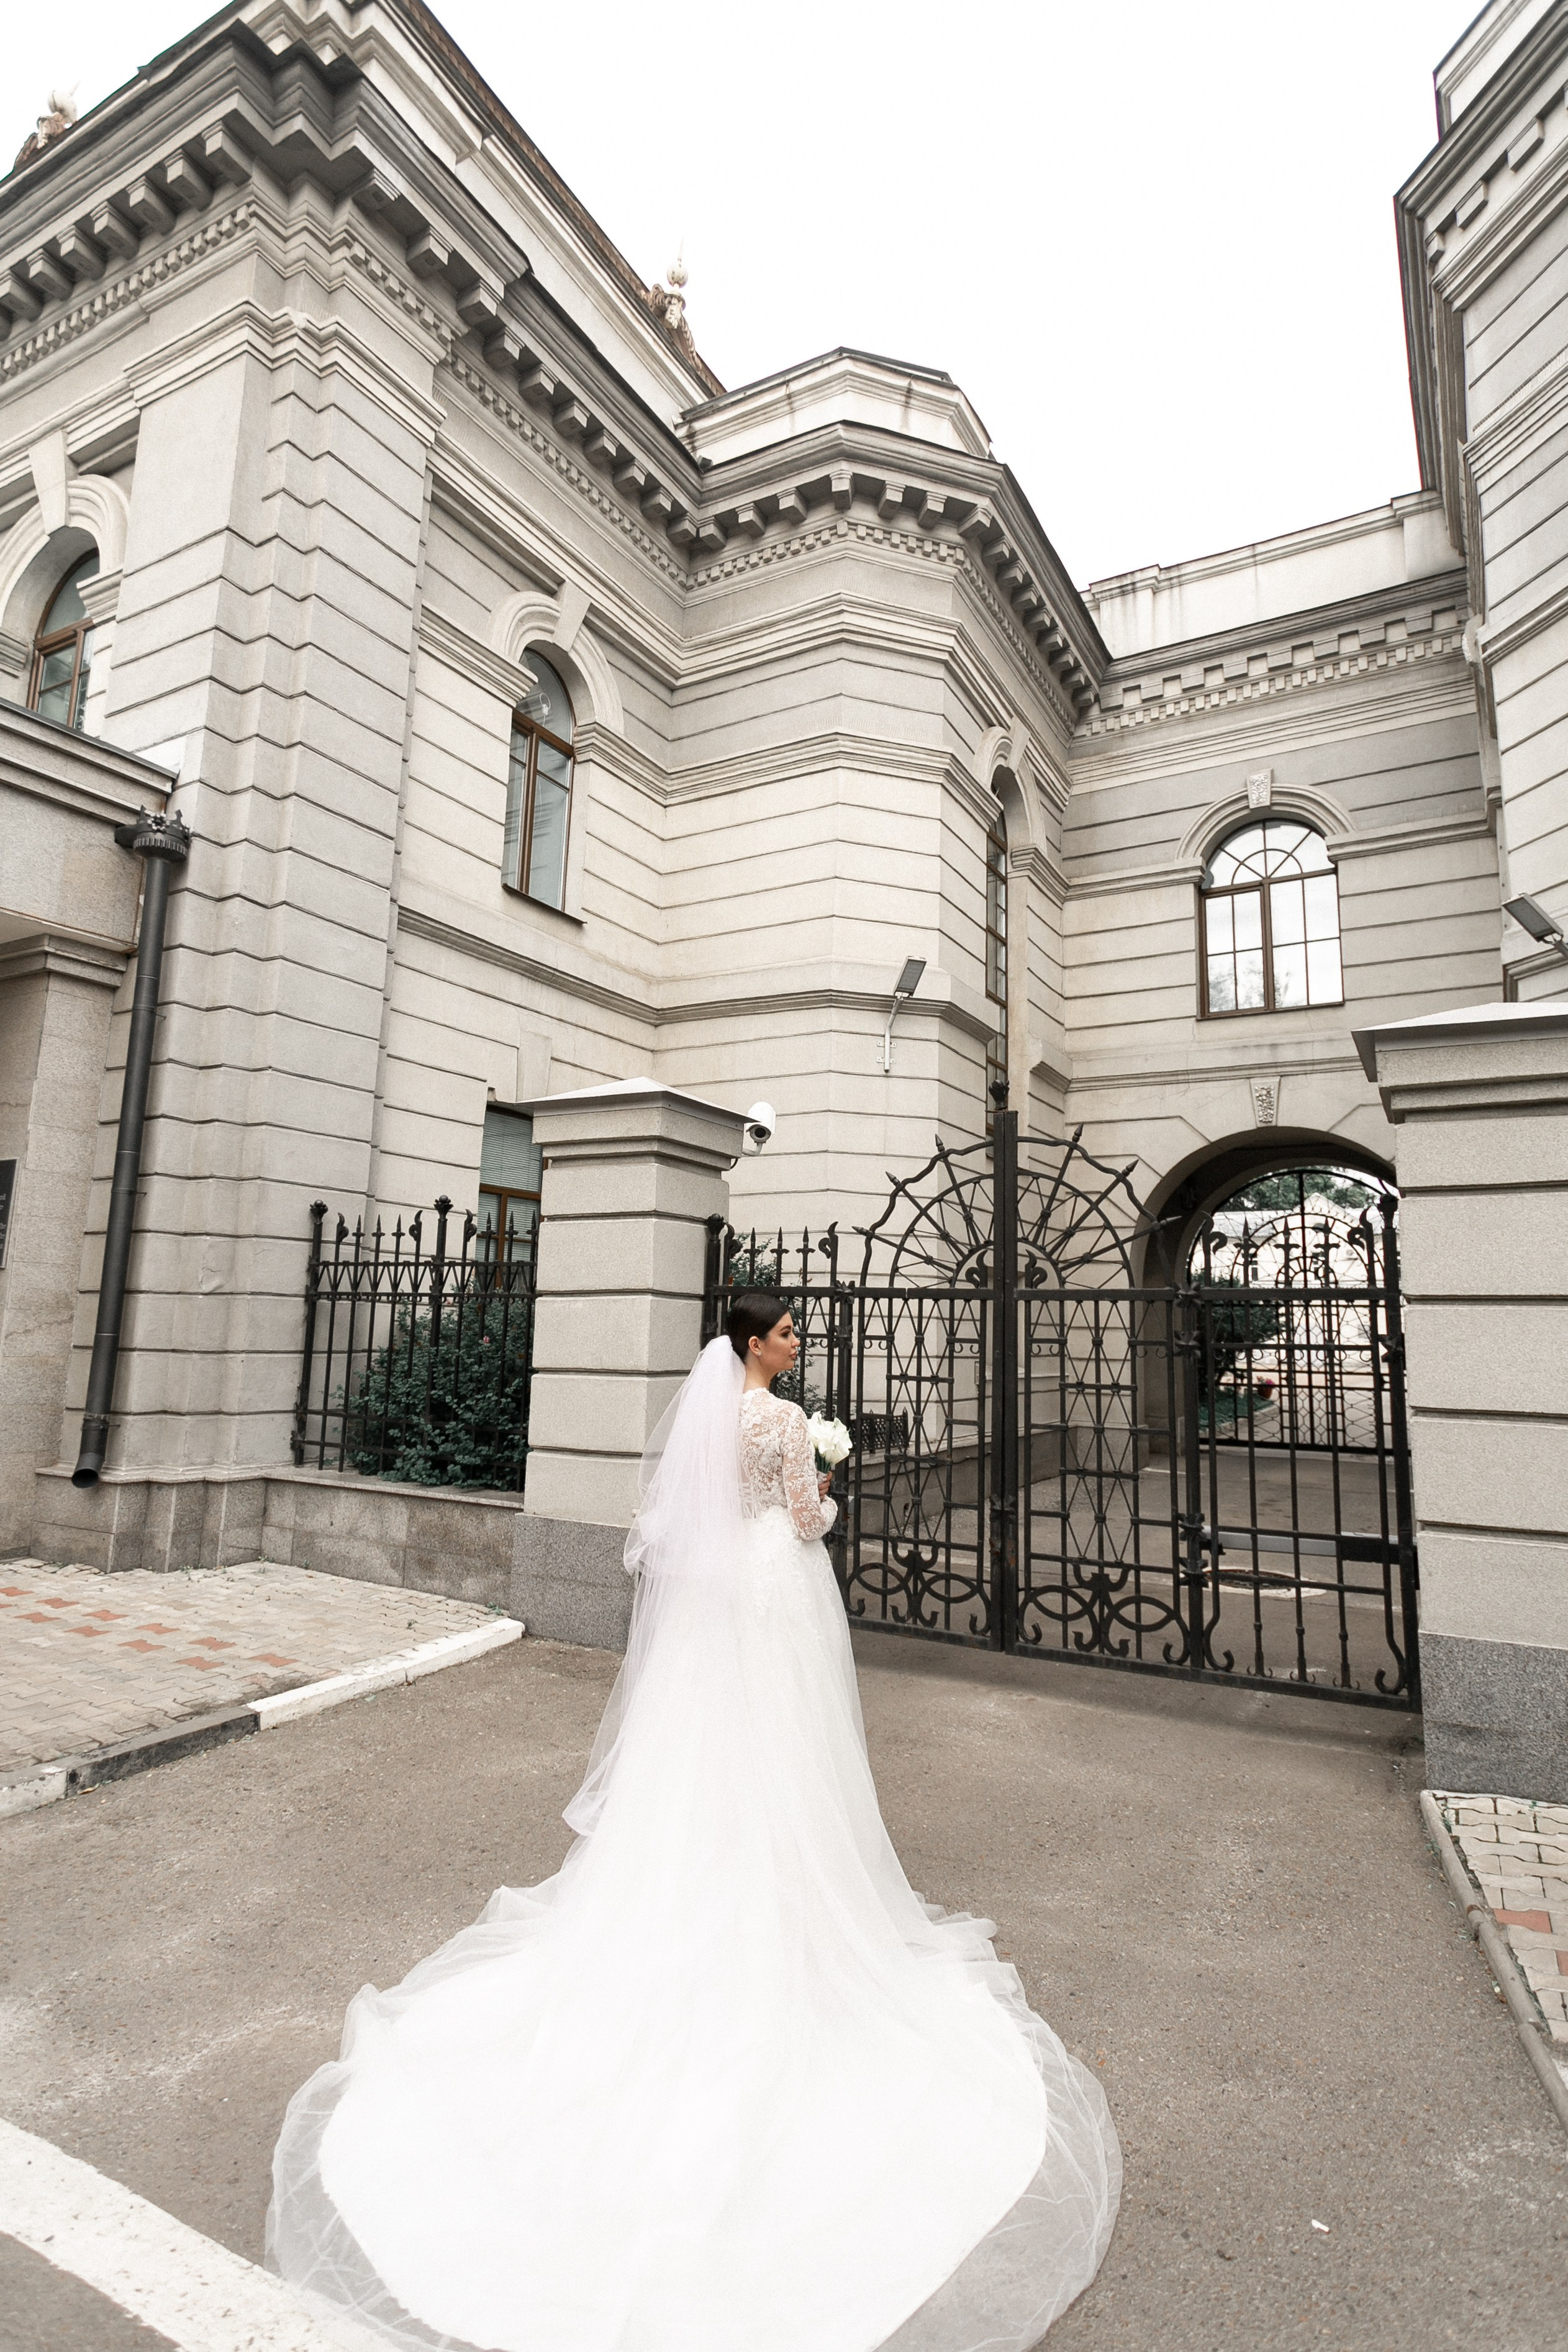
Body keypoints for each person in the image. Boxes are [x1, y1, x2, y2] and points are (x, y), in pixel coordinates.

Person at [267, 1294, 1119, 2350]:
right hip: (777, 1594)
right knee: (787, 1744)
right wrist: (830, 1479)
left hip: (719, 1608)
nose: (800, 1342)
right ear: (754, 1345)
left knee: (708, 1742)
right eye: (789, 1332)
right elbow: (806, 1521)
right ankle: (784, 1891)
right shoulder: (778, 1420)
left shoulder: (709, 1421)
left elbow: (678, 1518)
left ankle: (700, 1876)